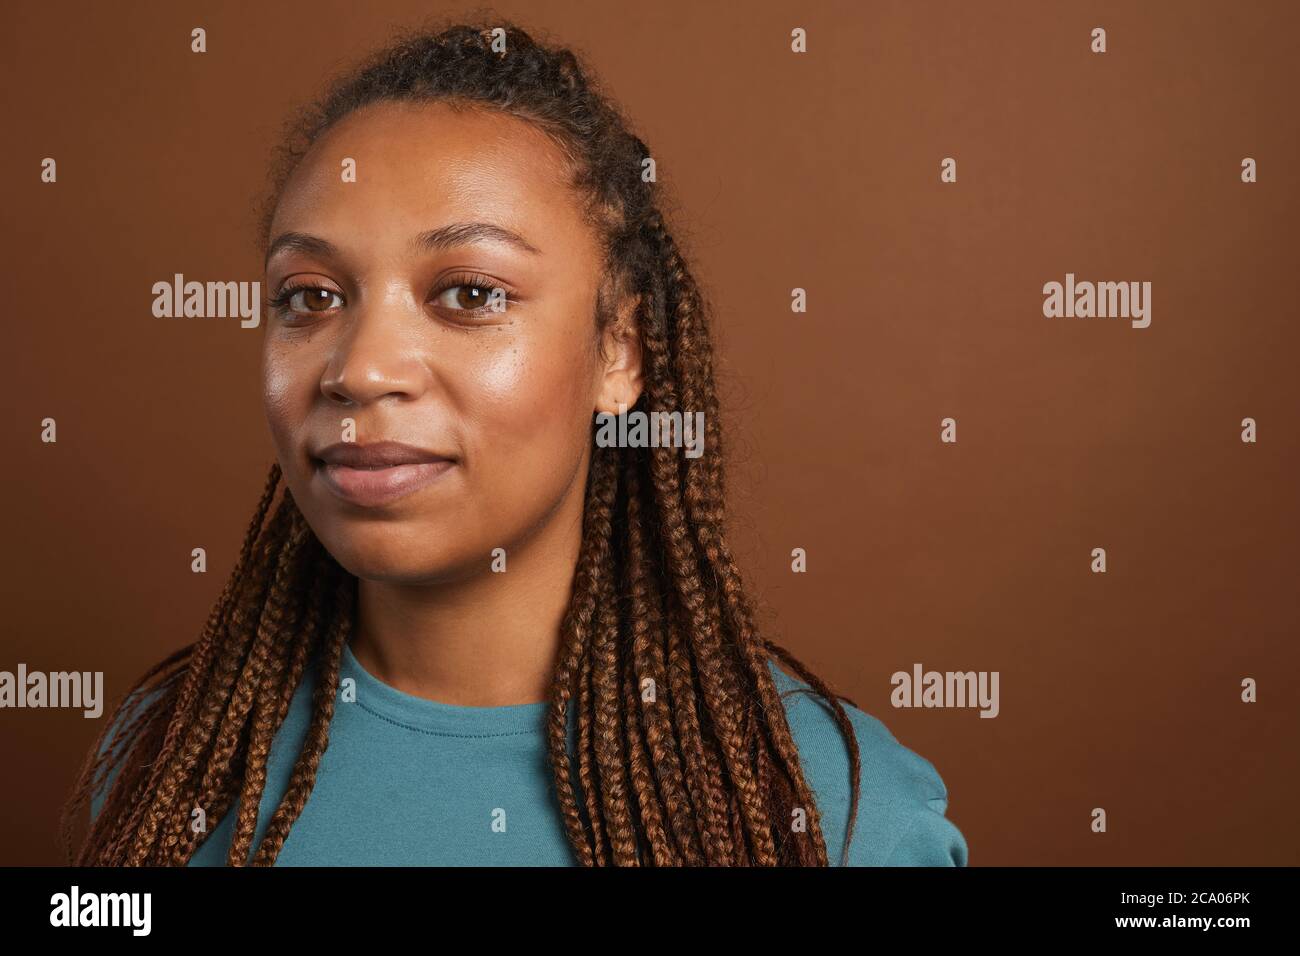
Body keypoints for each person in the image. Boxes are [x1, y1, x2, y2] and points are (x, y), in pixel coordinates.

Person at [63, 18, 968, 867]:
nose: (362, 369)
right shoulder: (169, 759)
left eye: (469, 293)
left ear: (619, 354)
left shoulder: (834, 817)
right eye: (310, 296)